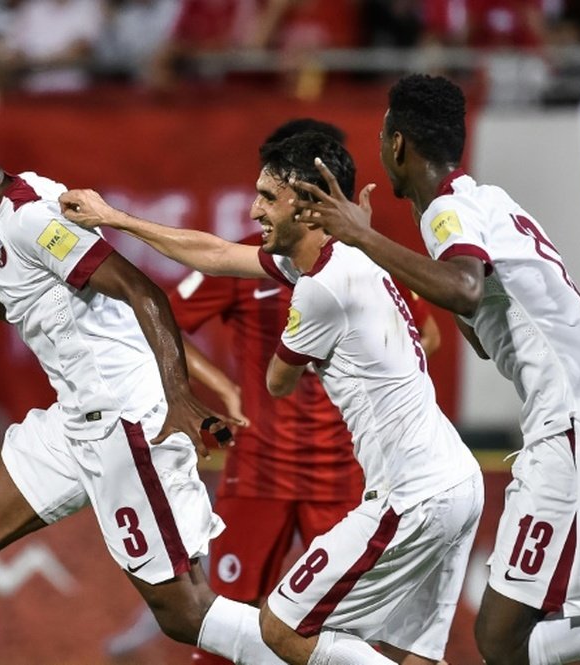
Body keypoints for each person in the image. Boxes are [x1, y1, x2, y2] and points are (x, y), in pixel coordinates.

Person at [0, 108, 289, 665]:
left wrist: (178, 396)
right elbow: (16, 297)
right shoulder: (11, 214)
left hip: (125, 419)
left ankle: (342, 660)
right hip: (76, 421)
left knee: (185, 614)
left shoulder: (30, 219)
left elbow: (144, 292)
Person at [60, 130, 483, 665]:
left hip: (410, 493)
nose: (254, 209)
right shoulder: (352, 257)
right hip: (456, 481)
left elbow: (278, 381)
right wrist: (117, 219)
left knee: (281, 628)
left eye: (266, 196)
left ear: (306, 206)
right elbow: (213, 254)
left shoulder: (320, 285)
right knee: (411, 653)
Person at [289, 72, 580, 665]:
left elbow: (463, 290)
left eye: (382, 134)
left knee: (503, 638)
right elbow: (481, 330)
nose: (380, 145)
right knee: (510, 639)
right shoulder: (486, 201)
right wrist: (376, 245)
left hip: (576, 424)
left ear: (397, 144)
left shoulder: (447, 214)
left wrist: (361, 238)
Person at [170, 118, 439, 665]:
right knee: (225, 626)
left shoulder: (358, 264)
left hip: (343, 475)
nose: (258, 209)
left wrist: (366, 372)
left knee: (342, 638)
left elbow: (425, 332)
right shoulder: (259, 257)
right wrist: (221, 386)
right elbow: (169, 319)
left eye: (270, 193)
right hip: (261, 470)